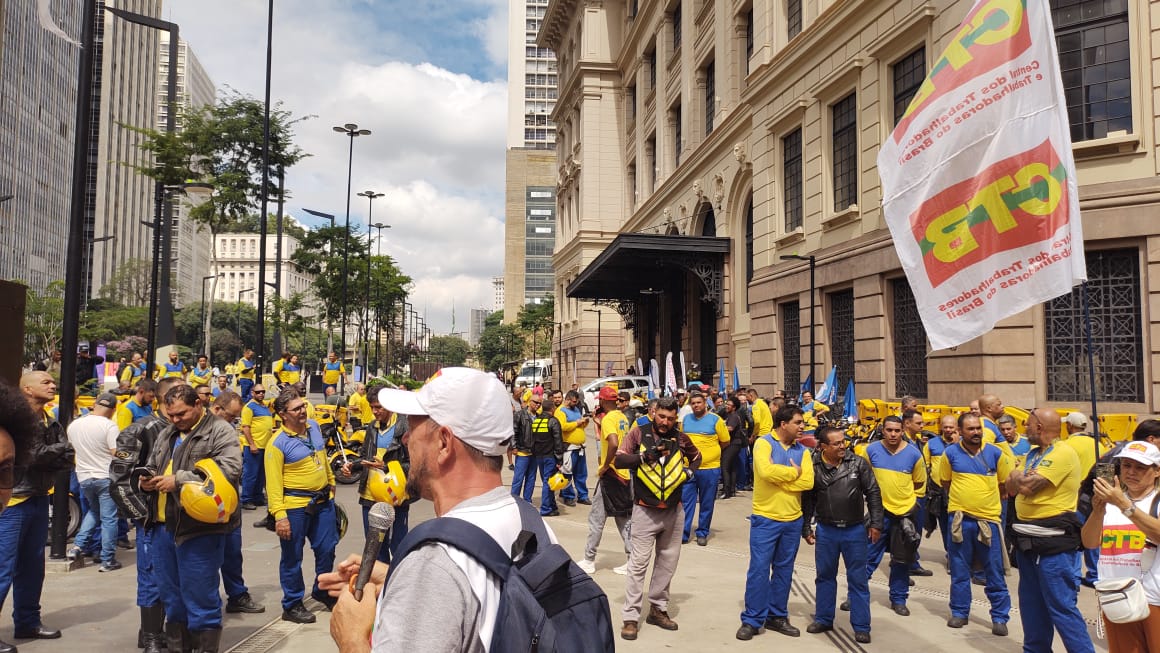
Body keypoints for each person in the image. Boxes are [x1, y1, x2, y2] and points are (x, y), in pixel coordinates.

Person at [322, 367, 560, 651]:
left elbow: (447, 580)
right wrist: (394, 579)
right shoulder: (532, 523)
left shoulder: (433, 564)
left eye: (413, 426)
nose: (406, 439)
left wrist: (351, 638)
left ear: (444, 442)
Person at [142, 384, 242, 653]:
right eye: (170, 414)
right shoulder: (167, 432)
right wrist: (147, 480)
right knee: (172, 598)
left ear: (199, 404)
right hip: (163, 526)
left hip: (200, 528)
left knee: (201, 597)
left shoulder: (220, 430)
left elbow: (230, 469)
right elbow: (154, 463)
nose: (175, 420)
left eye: (181, 414)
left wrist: (179, 480)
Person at [1005, 408, 1094, 653]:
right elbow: (1010, 486)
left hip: (1053, 547)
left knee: (1061, 608)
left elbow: (1027, 487)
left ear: (1039, 428)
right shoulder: (1033, 454)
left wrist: (1018, 476)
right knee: (1032, 608)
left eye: (1028, 424)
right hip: (1027, 544)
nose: (1024, 428)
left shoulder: (1063, 452)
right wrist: (1017, 475)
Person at [615, 396, 701, 640]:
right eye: (662, 416)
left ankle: (658, 609)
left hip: (674, 510)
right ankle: (630, 617)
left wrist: (689, 473)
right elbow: (620, 460)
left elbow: (696, 457)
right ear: (654, 413)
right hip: (644, 509)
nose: (665, 422)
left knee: (667, 563)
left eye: (671, 418)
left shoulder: (681, 437)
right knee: (638, 564)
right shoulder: (638, 434)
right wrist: (645, 456)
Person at [111, 376, 186, 653]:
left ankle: (158, 631)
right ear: (162, 398)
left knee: (174, 578)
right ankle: (151, 636)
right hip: (152, 521)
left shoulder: (190, 430)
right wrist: (142, 515)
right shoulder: (140, 429)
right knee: (152, 577)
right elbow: (119, 476)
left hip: (183, 519)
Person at [0, 372, 72, 652]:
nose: (53, 385)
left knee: (33, 567)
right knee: (3, 569)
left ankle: (28, 621)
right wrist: (58, 451)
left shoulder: (50, 420)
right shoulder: (15, 423)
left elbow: (65, 459)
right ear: (26, 389)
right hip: (14, 502)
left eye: (54, 381)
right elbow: (31, 457)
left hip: (40, 497)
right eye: (46, 382)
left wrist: (52, 453)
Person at [736, 404, 814, 640]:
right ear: (783, 424)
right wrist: (793, 474)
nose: (803, 427)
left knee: (784, 570)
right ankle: (752, 619)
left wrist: (786, 477)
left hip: (792, 520)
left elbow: (808, 482)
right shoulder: (764, 443)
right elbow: (765, 472)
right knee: (759, 570)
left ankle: (777, 615)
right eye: (798, 423)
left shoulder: (804, 451)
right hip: (766, 519)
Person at [800, 425, 880, 645]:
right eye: (836, 443)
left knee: (858, 579)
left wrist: (876, 523)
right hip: (826, 531)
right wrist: (806, 527)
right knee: (824, 576)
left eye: (843, 441)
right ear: (823, 446)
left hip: (855, 531)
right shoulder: (814, 466)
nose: (842, 446)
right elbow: (808, 501)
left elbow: (873, 492)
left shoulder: (858, 463)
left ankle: (862, 626)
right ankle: (824, 618)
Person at [937, 413, 1012, 635]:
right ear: (960, 431)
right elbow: (945, 482)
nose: (976, 432)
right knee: (959, 571)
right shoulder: (950, 453)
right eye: (970, 429)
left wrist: (984, 506)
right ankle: (959, 613)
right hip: (960, 522)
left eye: (978, 428)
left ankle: (1000, 617)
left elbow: (1004, 486)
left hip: (988, 522)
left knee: (994, 571)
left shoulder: (995, 453)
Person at [267, 389, 337, 624]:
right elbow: (273, 485)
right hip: (295, 507)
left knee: (327, 548)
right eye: (296, 409)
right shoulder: (277, 444)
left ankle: (322, 590)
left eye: (303, 406)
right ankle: (292, 604)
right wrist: (280, 516)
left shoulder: (314, 427)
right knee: (292, 557)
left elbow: (323, 457)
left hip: (323, 502)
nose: (302, 411)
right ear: (282, 414)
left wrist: (332, 483)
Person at [1082, 440, 1160, 651]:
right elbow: (1089, 542)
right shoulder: (1111, 500)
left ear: (1157, 471)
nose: (1131, 472)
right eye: (1126, 465)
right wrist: (1098, 511)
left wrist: (1125, 505)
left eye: (1140, 467)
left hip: (1154, 599)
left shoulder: (1155, 500)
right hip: (1117, 596)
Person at [206, 391, 264, 618]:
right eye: (231, 417)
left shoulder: (226, 428)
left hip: (230, 501)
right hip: (207, 501)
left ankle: (237, 594)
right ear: (218, 409)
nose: (233, 422)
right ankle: (208, 602)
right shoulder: (200, 430)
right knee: (207, 555)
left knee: (232, 552)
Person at [861, 415, 924, 617]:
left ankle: (898, 599)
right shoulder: (870, 451)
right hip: (878, 516)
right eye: (889, 430)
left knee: (901, 560)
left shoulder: (914, 454)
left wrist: (906, 504)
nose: (893, 434)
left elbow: (919, 484)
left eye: (897, 430)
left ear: (902, 430)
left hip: (904, 516)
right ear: (883, 430)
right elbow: (865, 479)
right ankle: (856, 597)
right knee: (867, 559)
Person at [344, 381, 410, 563]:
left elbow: (414, 464)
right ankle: (380, 584)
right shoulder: (372, 427)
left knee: (398, 544)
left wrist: (387, 466)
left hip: (396, 495)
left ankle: (397, 581)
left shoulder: (404, 427)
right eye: (372, 407)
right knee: (374, 544)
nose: (375, 411)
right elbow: (366, 456)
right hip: (370, 494)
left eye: (379, 407)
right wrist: (353, 465)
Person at [576, 386, 631, 575]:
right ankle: (632, 558)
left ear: (602, 401)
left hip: (611, 474)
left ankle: (589, 559)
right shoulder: (622, 418)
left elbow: (613, 443)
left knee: (597, 518)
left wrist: (606, 465)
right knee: (623, 518)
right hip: (623, 474)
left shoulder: (609, 419)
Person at [67, 393, 122, 572]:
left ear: (95, 404)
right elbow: (116, 452)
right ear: (113, 410)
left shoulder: (74, 425)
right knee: (109, 519)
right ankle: (108, 560)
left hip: (84, 477)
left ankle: (76, 547)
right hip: (105, 477)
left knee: (93, 512)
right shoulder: (109, 426)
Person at [680, 392, 730, 546]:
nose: (696, 405)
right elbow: (681, 441)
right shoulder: (686, 420)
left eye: (698, 403)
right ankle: (683, 533)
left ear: (705, 404)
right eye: (693, 403)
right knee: (685, 502)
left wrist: (711, 455)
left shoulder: (716, 420)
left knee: (706, 502)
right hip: (689, 469)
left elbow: (725, 442)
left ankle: (702, 532)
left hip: (710, 469)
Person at [924, 414, 959, 553]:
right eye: (946, 427)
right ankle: (950, 554)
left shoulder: (963, 443)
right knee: (945, 524)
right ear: (941, 427)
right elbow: (926, 466)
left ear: (957, 427)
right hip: (938, 491)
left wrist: (957, 445)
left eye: (951, 427)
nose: (949, 430)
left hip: (957, 491)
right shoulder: (931, 444)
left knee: (957, 525)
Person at [239, 385, 273, 512]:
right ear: (252, 393)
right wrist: (252, 444)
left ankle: (258, 497)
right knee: (250, 474)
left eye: (263, 392)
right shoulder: (249, 407)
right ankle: (246, 499)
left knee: (261, 474)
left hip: (265, 446)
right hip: (254, 446)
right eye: (258, 392)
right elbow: (245, 427)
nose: (261, 394)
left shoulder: (264, 406)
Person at [531, 396, 564, 516]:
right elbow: (558, 441)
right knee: (548, 482)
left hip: (539, 456)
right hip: (550, 456)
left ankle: (552, 505)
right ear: (552, 408)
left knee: (548, 481)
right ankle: (545, 508)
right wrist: (559, 459)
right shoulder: (553, 421)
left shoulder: (537, 421)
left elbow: (532, 439)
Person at [557, 390, 591, 507]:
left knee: (581, 473)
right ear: (567, 399)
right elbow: (562, 426)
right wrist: (576, 423)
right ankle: (568, 496)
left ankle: (583, 495)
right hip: (569, 447)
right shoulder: (560, 411)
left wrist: (584, 422)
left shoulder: (576, 409)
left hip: (580, 447)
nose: (576, 404)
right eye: (574, 401)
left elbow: (580, 424)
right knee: (567, 473)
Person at [510, 388, 537, 503]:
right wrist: (514, 446)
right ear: (529, 402)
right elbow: (513, 431)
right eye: (535, 402)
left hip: (535, 453)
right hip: (522, 452)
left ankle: (527, 501)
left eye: (539, 403)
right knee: (518, 479)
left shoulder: (540, 417)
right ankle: (514, 501)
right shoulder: (520, 415)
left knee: (531, 479)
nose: (537, 405)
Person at [720, 397, 746, 500]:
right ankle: (731, 490)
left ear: (734, 407)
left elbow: (730, 428)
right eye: (726, 404)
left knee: (725, 466)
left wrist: (718, 427)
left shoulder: (734, 416)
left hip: (733, 444)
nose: (726, 406)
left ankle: (727, 491)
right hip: (733, 444)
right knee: (732, 467)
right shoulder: (728, 415)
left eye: (729, 405)